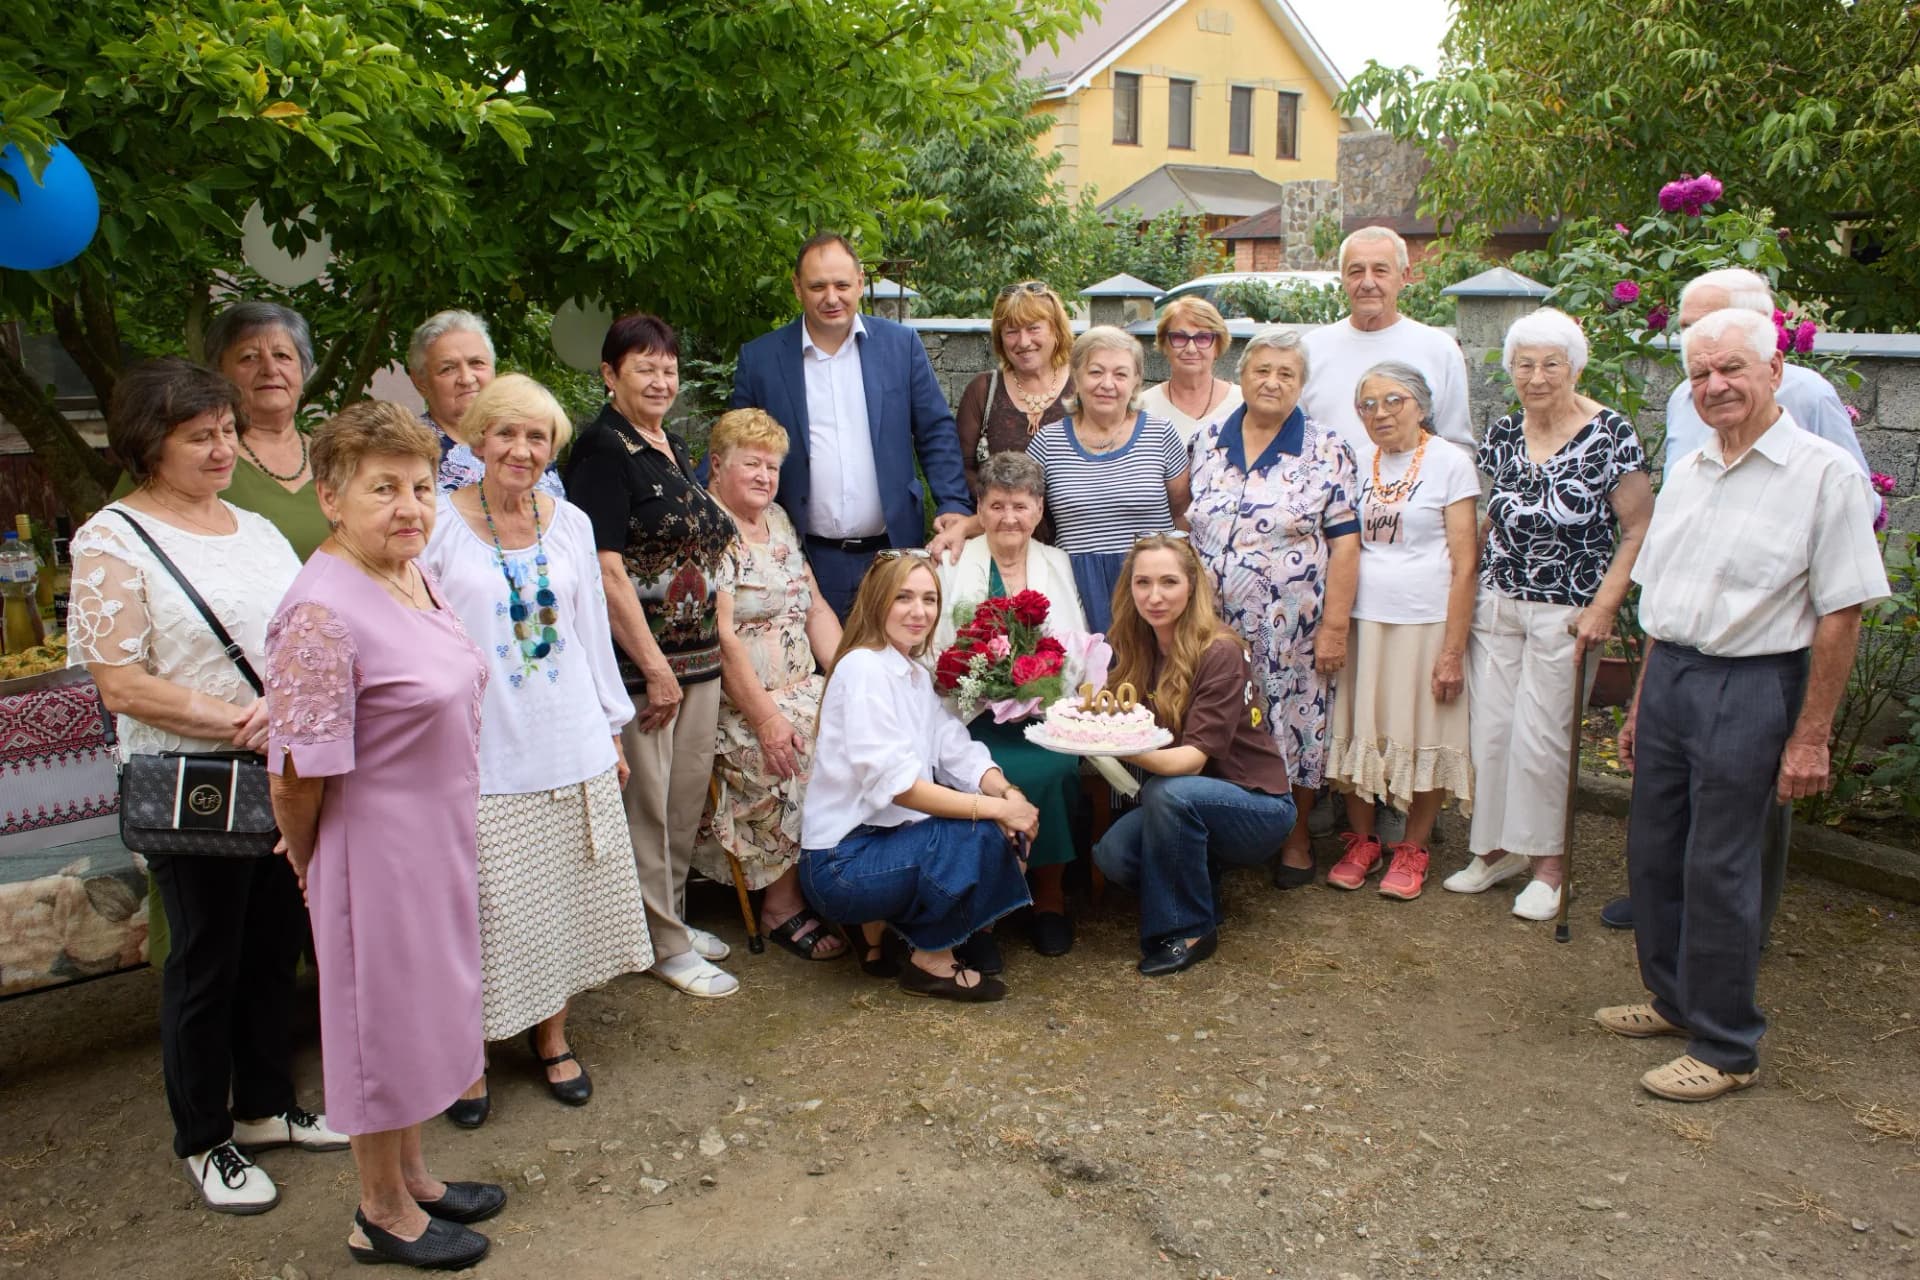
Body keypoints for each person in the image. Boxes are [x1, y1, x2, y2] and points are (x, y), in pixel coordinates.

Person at [69, 358, 342, 1215]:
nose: (224, 448)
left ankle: (264, 1106)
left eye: (227, 431)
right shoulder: (112, 537)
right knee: (205, 961)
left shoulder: (255, 528)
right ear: (152, 444)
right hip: (195, 780)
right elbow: (119, 683)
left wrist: (293, 709)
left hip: (280, 768)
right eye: (202, 436)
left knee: (272, 944)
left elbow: (299, 630)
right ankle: (205, 1136)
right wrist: (236, 720)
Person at [1597, 307, 1887, 1102]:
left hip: (1755, 684)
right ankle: (1673, 1001)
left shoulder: (1824, 473)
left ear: (1773, 372)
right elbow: (1660, 600)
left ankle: (1727, 1045)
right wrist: (1639, 703)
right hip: (1674, 678)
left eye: (1732, 368)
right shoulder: (1689, 472)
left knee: (1721, 867)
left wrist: (1811, 734)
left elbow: (1843, 610)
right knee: (1654, 852)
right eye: (1699, 374)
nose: (1715, 385)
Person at [264, 401, 506, 1268]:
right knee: (379, 1029)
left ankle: (413, 1177)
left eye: (419, 486)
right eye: (383, 489)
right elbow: (295, 772)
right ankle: (378, 1214)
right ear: (331, 498)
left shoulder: (406, 572)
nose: (409, 506)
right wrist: (309, 858)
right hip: (371, 851)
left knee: (419, 1016)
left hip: (432, 835)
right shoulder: (322, 612)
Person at [420, 374, 655, 1128]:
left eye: (537, 437)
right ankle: (467, 1058)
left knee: (559, 898)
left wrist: (610, 726)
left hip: (568, 738)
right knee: (485, 909)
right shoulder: (437, 527)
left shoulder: (572, 524)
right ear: (477, 439)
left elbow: (587, 632)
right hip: (484, 748)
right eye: (506, 434)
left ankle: (553, 1038)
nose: (521, 450)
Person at [1444, 308, 1653, 921]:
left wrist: (1604, 606)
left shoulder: (1609, 432)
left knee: (1544, 739)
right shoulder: (1505, 431)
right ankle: (1497, 849)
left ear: (1574, 367)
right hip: (1498, 602)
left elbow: (1639, 528)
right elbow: (1488, 519)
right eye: (1524, 364)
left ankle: (1550, 867)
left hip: (1568, 610)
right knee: (1492, 733)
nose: (1536, 376)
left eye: (1550, 364)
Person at [564, 313, 740, 999]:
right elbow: (604, 570)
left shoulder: (667, 443)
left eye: (668, 366)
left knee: (680, 804)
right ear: (610, 375)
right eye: (644, 366)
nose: (661, 378)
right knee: (648, 809)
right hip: (645, 668)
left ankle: (667, 922)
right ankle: (662, 944)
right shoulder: (603, 450)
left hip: (696, 660)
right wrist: (655, 666)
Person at [799, 551, 1039, 1002]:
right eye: (904, 597)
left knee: (1004, 827)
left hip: (881, 845)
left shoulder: (910, 672)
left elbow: (956, 749)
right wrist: (1000, 810)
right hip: (843, 863)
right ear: (876, 601)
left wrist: (1008, 791)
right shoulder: (864, 668)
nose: (919, 611)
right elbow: (900, 787)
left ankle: (926, 936)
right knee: (985, 834)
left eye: (929, 599)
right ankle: (930, 962)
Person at [1187, 329, 1359, 885]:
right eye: (1262, 370)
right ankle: (1219, 832)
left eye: (1287, 374)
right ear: (1241, 375)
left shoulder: (1327, 448)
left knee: (1296, 722)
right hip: (1212, 627)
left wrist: (1335, 626)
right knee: (1218, 720)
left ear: (1302, 385)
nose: (1272, 382)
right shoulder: (1207, 438)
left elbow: (1346, 544)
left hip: (1292, 630)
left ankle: (1297, 836)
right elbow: (1185, 520)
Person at [730, 232, 974, 617]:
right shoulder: (760, 360)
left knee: (894, 664)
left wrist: (954, 504)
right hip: (802, 555)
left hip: (891, 550)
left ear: (860, 282)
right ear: (797, 288)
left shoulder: (901, 345)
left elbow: (935, 431)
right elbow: (735, 447)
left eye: (842, 284)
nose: (831, 297)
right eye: (817, 286)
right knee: (818, 669)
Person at [1092, 536, 1297, 976]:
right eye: (1142, 583)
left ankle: (1190, 928)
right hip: (1185, 801)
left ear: (1192, 585)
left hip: (1255, 804)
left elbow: (1189, 762)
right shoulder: (1136, 646)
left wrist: (1109, 741)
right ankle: (1201, 887)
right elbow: (1103, 710)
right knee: (1114, 855)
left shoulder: (1220, 650)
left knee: (1169, 792)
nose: (1154, 596)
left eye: (1168, 582)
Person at [693, 408, 847, 962]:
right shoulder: (708, 528)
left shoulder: (778, 519)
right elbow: (723, 639)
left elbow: (816, 609)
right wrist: (767, 718)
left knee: (868, 726)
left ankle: (841, 879)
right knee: (797, 750)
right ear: (717, 465)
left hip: (802, 682)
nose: (764, 476)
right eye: (751, 464)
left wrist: (852, 675)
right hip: (740, 701)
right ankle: (782, 902)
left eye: (772, 466)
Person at [1324, 364, 1480, 900]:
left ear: (1420, 404)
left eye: (1393, 400)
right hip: (1365, 619)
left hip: (1427, 621)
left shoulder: (1450, 463)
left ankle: (1413, 847)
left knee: (1423, 730)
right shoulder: (1353, 461)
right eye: (1367, 404)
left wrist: (1452, 651)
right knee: (1358, 726)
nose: (1380, 413)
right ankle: (1363, 840)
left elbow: (1465, 563)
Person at [932, 451, 1088, 957]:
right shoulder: (954, 561)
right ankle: (985, 915)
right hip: (969, 717)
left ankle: (1048, 899)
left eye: (1020, 506)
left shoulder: (1057, 563)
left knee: (1055, 772)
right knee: (981, 776)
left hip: (1043, 716)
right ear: (980, 506)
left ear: (1039, 510)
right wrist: (980, 681)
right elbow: (934, 645)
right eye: (997, 505)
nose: (1009, 518)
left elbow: (1078, 646)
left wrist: (1037, 683)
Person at [1024, 326, 1191, 634]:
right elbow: (1018, 507)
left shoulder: (1161, 434)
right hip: (1078, 585)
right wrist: (961, 529)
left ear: (1137, 381)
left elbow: (1183, 514)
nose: (1107, 384)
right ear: (1076, 376)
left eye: (1120, 374)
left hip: (1152, 586)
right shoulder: (1048, 443)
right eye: (1096, 372)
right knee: (1091, 678)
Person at [1299, 227, 1475, 456]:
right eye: (1356, 271)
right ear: (1342, 277)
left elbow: (1457, 447)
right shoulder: (1310, 349)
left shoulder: (1439, 349)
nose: (1368, 282)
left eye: (1380, 271)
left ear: (1404, 276)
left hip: (1415, 489)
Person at [202, 301, 332, 559]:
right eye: (249, 357)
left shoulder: (337, 457)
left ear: (302, 372)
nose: (270, 370)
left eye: (282, 356)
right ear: (219, 374)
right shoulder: (194, 457)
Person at [406, 309, 564, 497]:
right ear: (421, 382)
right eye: (448, 368)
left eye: (476, 363)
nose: (466, 378)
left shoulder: (529, 436)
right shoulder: (410, 451)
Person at [955, 281, 1074, 504]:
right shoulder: (982, 391)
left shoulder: (1083, 386)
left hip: (1077, 532)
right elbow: (962, 469)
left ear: (1056, 330)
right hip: (1003, 530)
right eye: (1011, 332)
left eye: (1033, 328)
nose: (1024, 341)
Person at [1139, 296, 1243, 446]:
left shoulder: (1243, 404)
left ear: (1218, 346)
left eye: (1202, 338)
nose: (1191, 349)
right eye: (1179, 337)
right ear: (1164, 344)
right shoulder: (1142, 407)